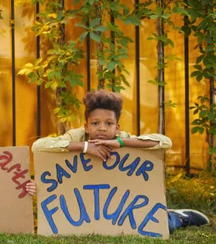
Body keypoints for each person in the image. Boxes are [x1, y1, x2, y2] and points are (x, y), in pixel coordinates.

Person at [32, 89, 210, 232]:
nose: (102, 128)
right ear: (86, 125)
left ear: (117, 127)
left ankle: (176, 217)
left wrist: (119, 142)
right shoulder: (77, 136)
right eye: (95, 123)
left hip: (119, 203)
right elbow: (38, 146)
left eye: (108, 123)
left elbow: (165, 141)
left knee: (160, 225)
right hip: (85, 204)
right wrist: (85, 147)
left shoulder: (123, 138)